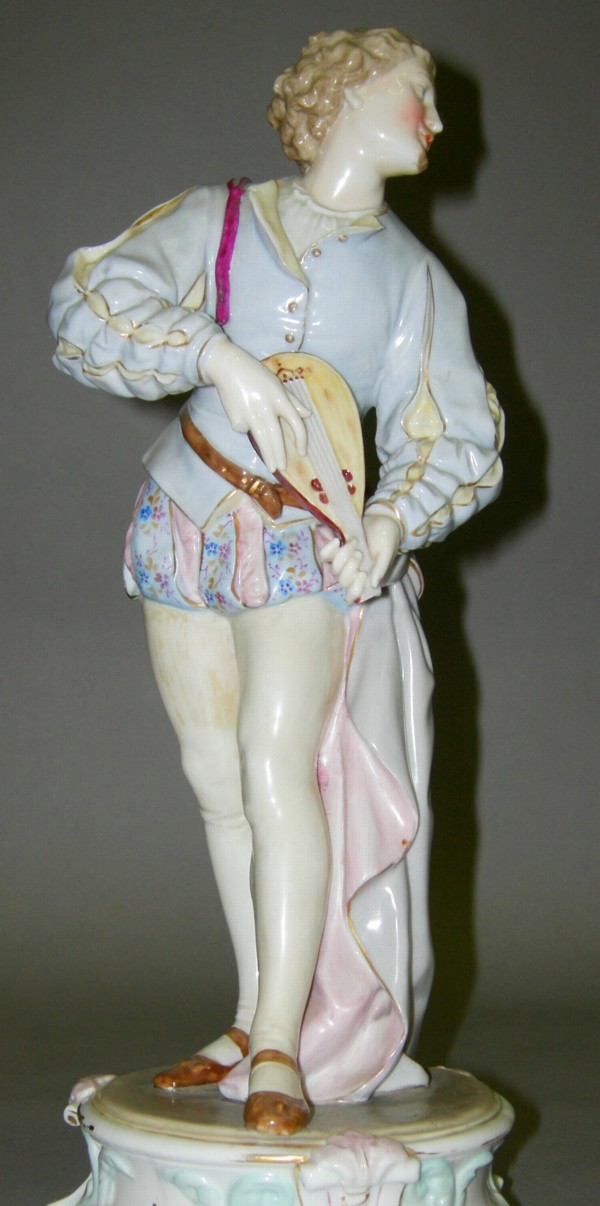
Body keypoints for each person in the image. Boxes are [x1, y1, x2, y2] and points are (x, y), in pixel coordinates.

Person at [48, 27, 503, 1134]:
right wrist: (215, 355)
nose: (435, 122)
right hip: (186, 515)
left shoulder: (414, 280)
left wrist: (392, 518)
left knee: (275, 767)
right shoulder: (221, 218)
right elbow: (88, 303)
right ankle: (256, 1011)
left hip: (304, 542)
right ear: (344, 99)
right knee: (215, 773)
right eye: (415, 96)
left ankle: (286, 1049)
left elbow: (458, 432)